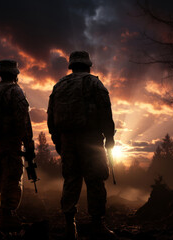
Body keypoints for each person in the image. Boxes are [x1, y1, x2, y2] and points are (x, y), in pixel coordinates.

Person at [47, 51, 116, 239]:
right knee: (95, 181)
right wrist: (109, 137)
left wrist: (58, 141)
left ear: (71, 65)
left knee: (71, 180)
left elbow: (51, 117)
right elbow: (105, 112)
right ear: (88, 65)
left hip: (67, 140)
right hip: (91, 139)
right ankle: (97, 225)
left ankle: (70, 226)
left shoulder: (58, 85)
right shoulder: (94, 83)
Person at [0, 60, 35, 231]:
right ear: (15, 74)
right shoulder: (15, 91)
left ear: (0, 73)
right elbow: (23, 120)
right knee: (12, 176)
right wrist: (28, 143)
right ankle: (7, 215)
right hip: (11, 142)